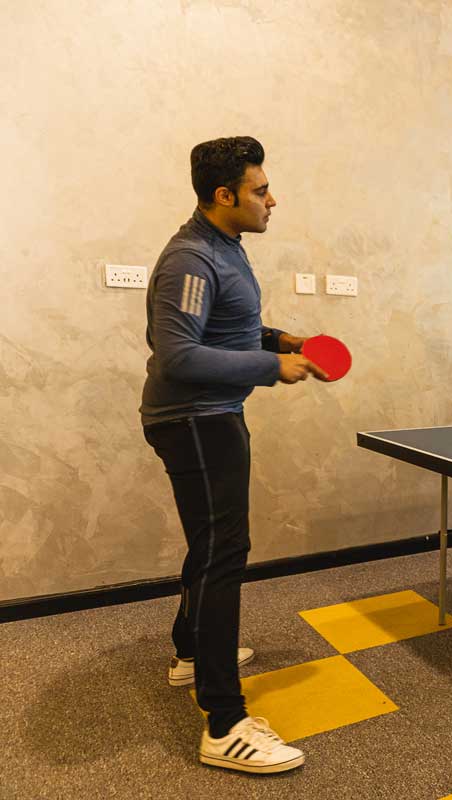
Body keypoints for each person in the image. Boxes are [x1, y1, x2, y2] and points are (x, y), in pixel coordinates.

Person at [141, 137, 321, 774]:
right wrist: (273, 367)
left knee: (210, 543)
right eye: (259, 190)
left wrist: (281, 339)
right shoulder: (191, 259)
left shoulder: (224, 248)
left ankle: (191, 653)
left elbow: (228, 327)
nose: (273, 199)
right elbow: (180, 355)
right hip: (197, 421)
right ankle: (223, 722)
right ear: (224, 196)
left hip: (210, 418)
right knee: (225, 553)